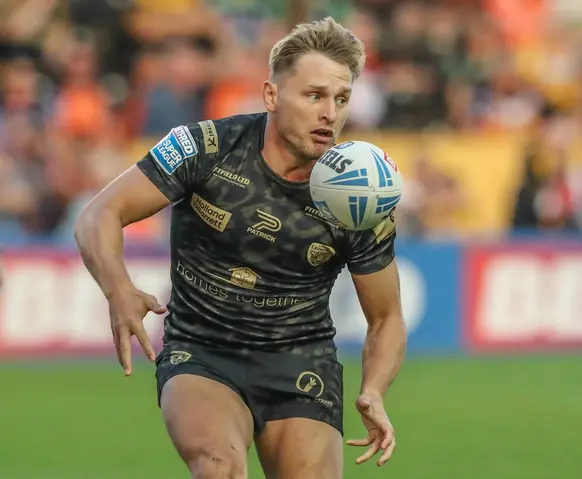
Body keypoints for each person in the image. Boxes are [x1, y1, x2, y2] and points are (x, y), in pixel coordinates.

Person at [74, 17, 407, 479]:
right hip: (203, 353)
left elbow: (386, 317)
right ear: (271, 95)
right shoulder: (205, 147)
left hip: (300, 359)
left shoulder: (356, 196)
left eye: (341, 98)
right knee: (219, 468)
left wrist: (374, 388)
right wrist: (117, 288)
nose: (330, 113)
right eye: (314, 96)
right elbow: (98, 214)